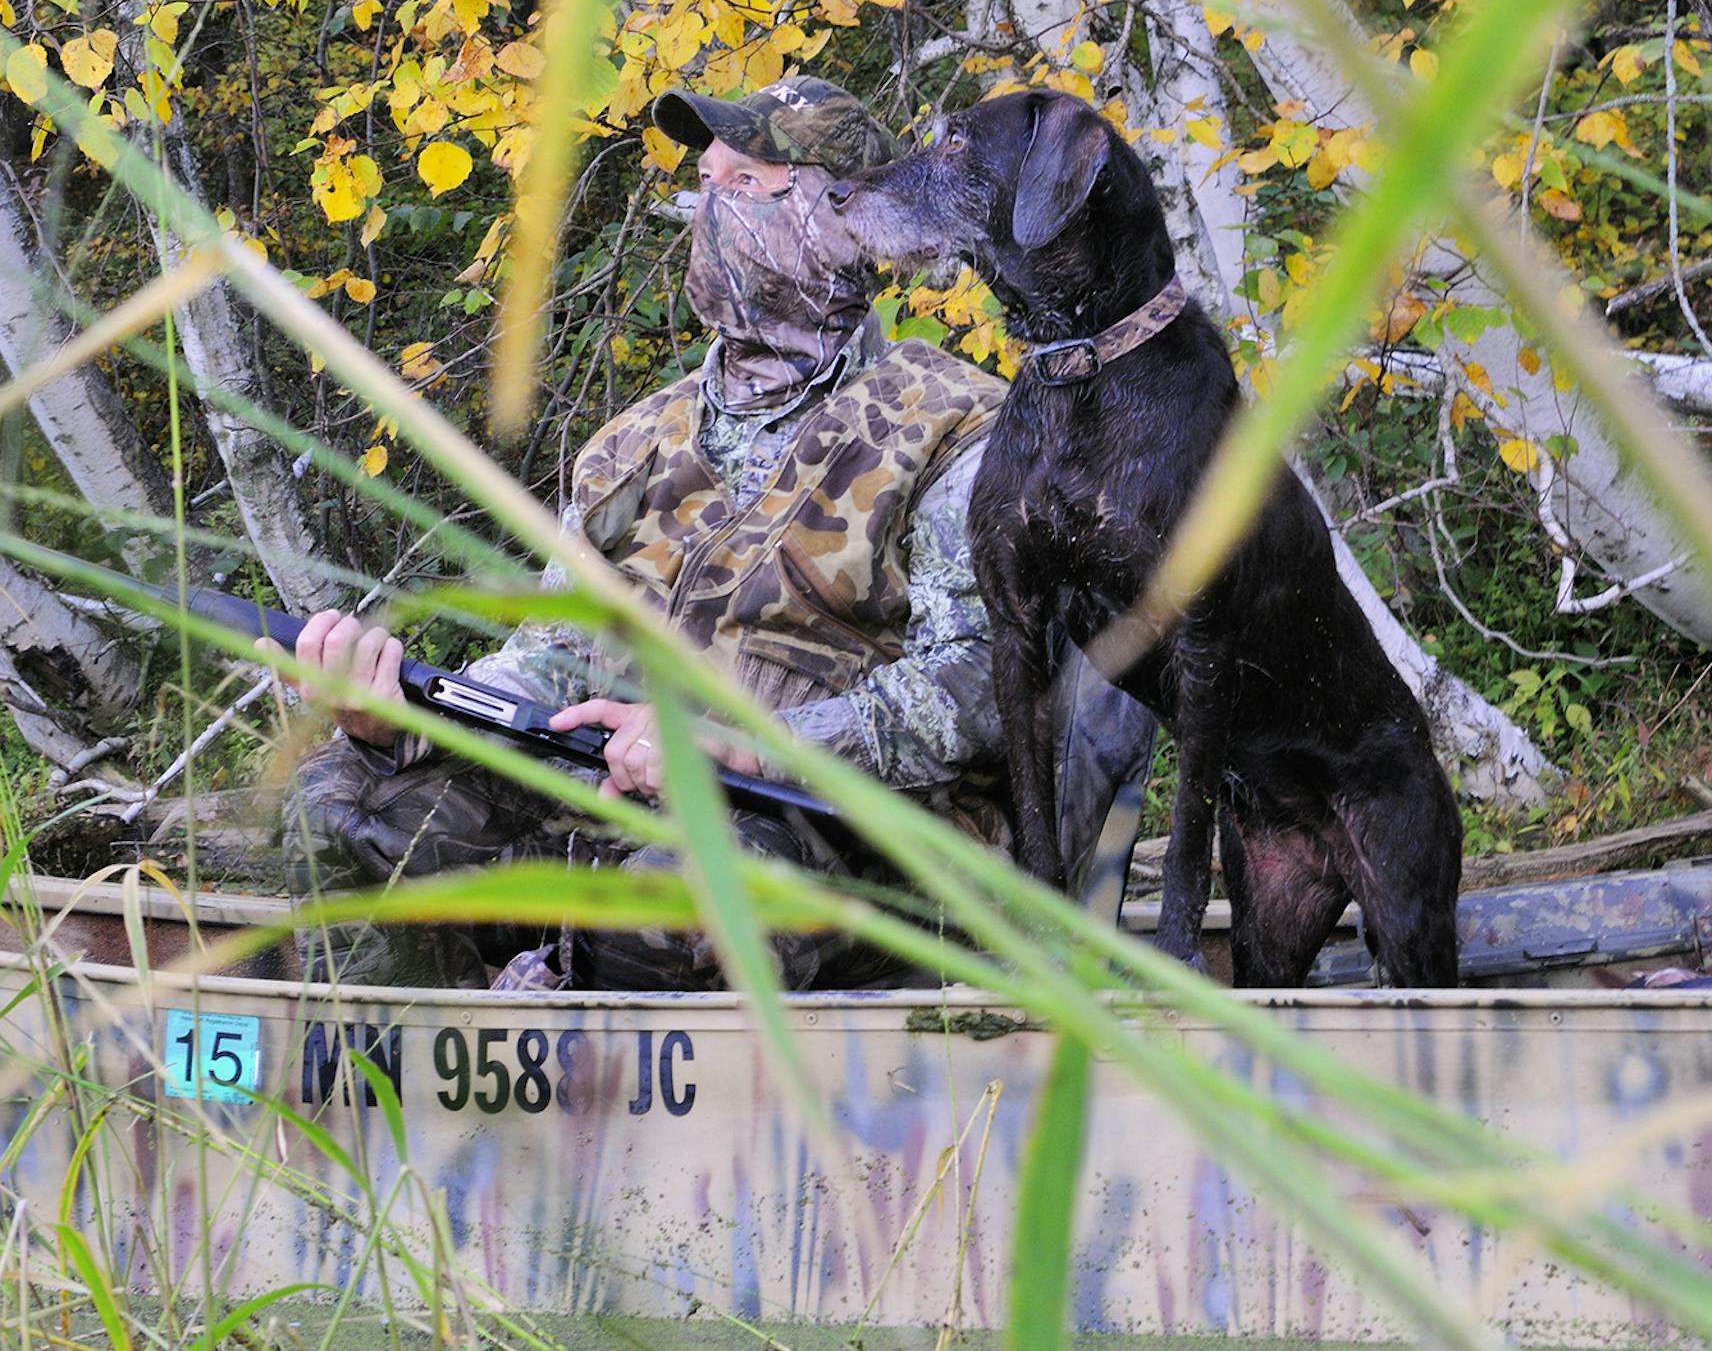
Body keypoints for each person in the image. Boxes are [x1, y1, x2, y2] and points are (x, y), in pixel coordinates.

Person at [279, 75, 1155, 991]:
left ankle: (611, 1051)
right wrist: (408, 717)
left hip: (838, 837)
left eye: (747, 184)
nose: (711, 208)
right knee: (342, 803)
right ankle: (388, 1083)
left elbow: (979, 687)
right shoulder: (633, 441)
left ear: (848, 215)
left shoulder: (955, 427)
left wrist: (751, 746)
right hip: (602, 798)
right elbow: (553, 652)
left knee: (673, 900)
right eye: (708, 183)